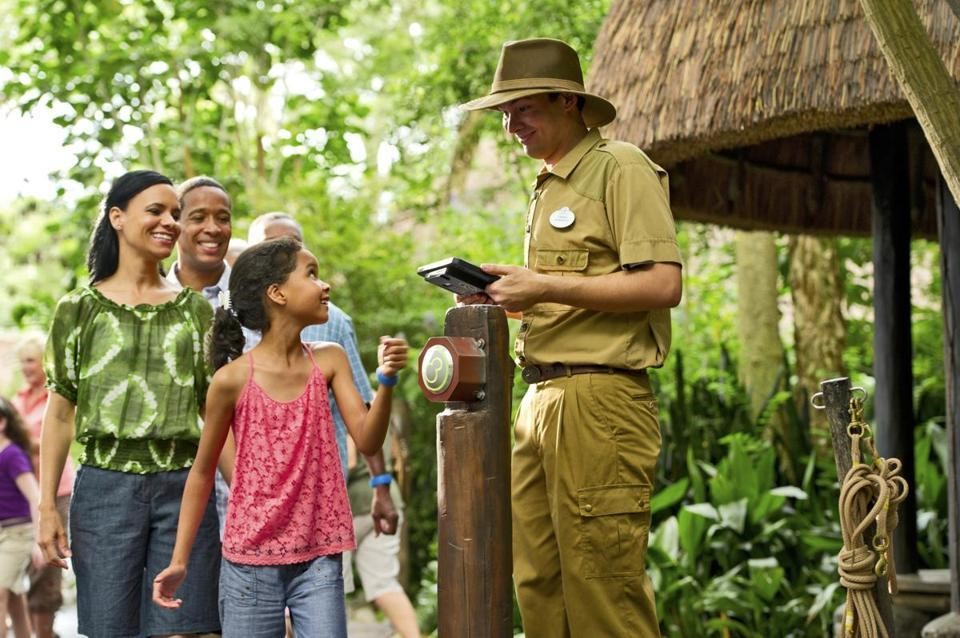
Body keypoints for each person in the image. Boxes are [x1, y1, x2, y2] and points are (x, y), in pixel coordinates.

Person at [459, 38, 683, 636]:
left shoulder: (620, 167)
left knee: (602, 591)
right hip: (541, 399)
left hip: (599, 402)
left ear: (566, 101)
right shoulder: (548, 185)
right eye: (504, 114)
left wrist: (544, 286)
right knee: (538, 588)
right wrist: (511, 297)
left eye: (522, 109)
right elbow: (568, 292)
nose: (511, 127)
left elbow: (662, 284)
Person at [151, 236, 409, 636]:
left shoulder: (330, 359)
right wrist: (180, 559)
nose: (325, 286)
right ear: (277, 294)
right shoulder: (231, 379)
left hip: (319, 557)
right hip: (249, 563)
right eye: (311, 274)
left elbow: (368, 439)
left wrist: (387, 382)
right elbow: (202, 473)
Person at [38, 170, 222, 637]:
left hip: (183, 490)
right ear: (117, 218)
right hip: (103, 492)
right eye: (156, 211)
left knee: (182, 629)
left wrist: (248, 497)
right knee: (108, 630)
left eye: (175, 214)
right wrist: (46, 509)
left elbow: (215, 416)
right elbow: (59, 413)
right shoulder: (78, 309)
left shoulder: (195, 310)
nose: (170, 223)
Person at [247, 212, 399, 537]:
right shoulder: (232, 325)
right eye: (271, 248)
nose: (282, 258)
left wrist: (380, 485)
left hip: (323, 500)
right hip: (254, 510)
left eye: (292, 249)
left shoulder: (332, 323)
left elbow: (360, 410)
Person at [166, 175, 236, 537]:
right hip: (171, 499)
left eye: (222, 217)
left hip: (250, 493)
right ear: (175, 224)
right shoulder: (150, 301)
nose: (213, 228)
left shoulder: (259, 296)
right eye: (198, 217)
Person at [10, 334, 72, 638]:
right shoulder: (18, 399)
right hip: (22, 491)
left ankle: (45, 633)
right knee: (22, 567)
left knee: (46, 564)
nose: (26, 367)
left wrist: (23, 443)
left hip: (57, 490)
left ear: (45, 364)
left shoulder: (54, 399)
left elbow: (53, 440)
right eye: (22, 361)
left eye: (31, 360)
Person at [343, 436, 419, 638]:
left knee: (324, 582)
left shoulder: (348, 404)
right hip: (388, 498)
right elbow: (397, 456)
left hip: (355, 504)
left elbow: (348, 459)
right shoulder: (381, 407)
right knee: (383, 584)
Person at [0, 397, 43, 638]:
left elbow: (34, 497)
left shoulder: (12, 455)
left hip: (17, 535)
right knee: (15, 600)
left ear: (2, 423)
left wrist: (39, 540)